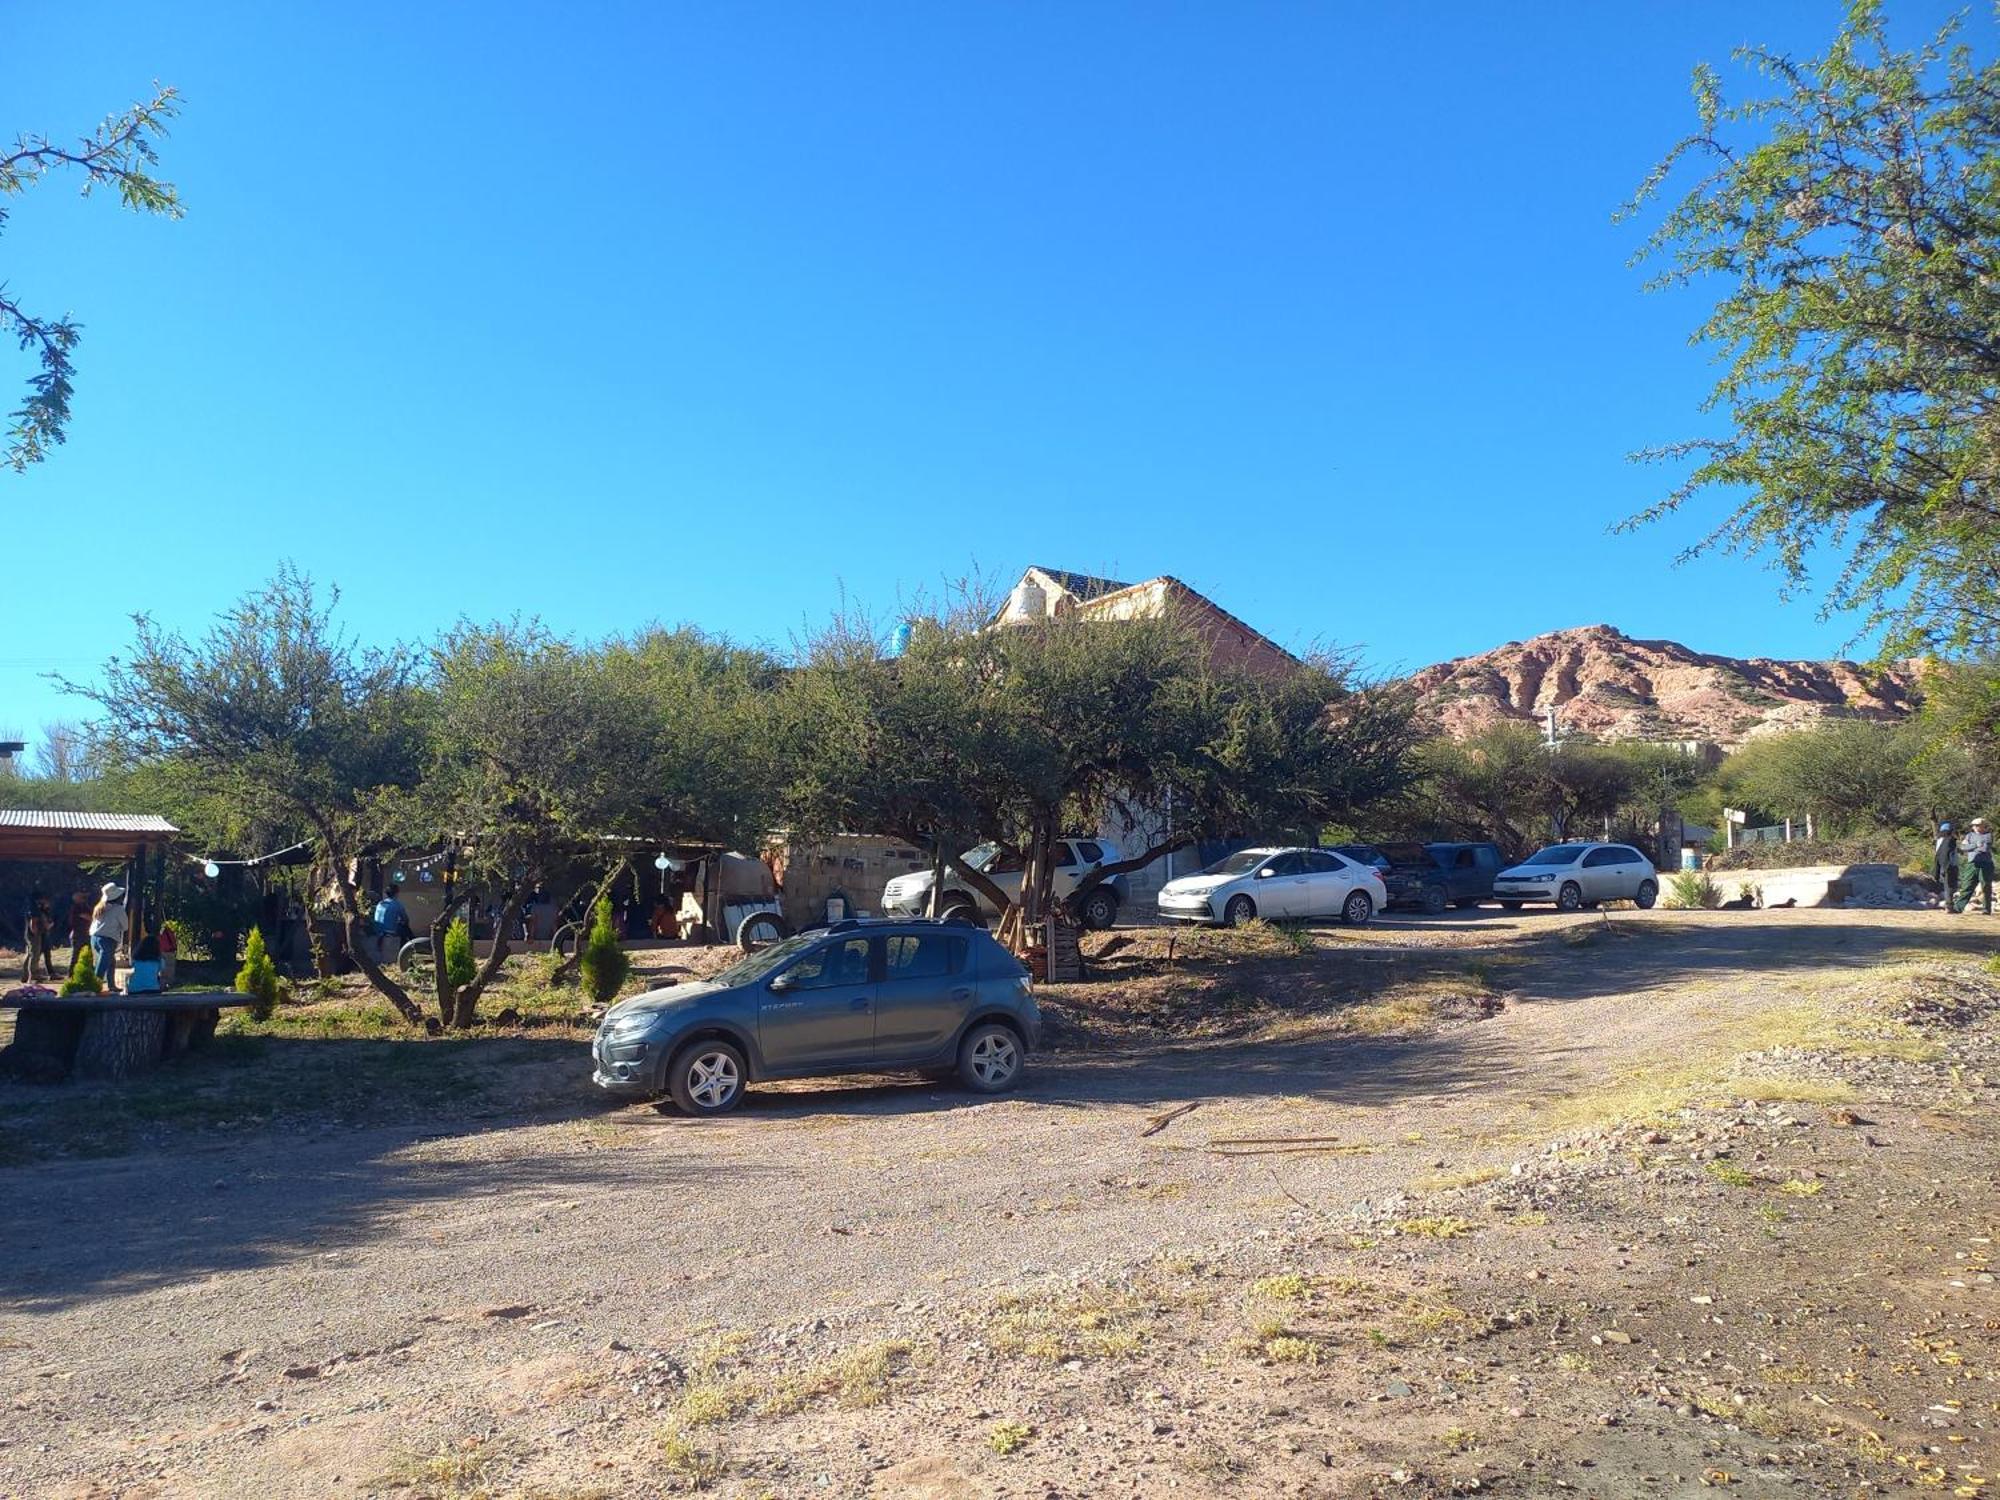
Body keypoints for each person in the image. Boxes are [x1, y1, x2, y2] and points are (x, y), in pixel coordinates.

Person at [89, 881, 129, 992]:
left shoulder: (99, 907)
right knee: (103, 965)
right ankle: (95, 986)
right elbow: (125, 926)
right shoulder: (118, 909)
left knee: (110, 962)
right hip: (108, 939)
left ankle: (111, 985)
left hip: (94, 937)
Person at [1956, 817, 1996, 915]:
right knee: (1967, 886)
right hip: (1972, 864)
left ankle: (1986, 909)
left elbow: (1985, 848)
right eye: (1974, 825)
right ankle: (1957, 908)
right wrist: (1975, 845)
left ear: (1983, 826)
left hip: (1986, 864)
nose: (1975, 827)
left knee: (1986, 886)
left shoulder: (1988, 836)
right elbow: (1963, 847)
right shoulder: (1969, 835)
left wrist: (1972, 846)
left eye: (1978, 825)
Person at [372, 882, 411, 960]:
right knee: (406, 930)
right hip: (389, 931)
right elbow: (405, 919)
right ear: (396, 893)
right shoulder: (397, 904)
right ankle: (407, 951)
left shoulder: (380, 903)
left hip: (377, 930)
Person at [20, 892, 53, 981]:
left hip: (29, 933)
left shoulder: (31, 907)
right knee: (35, 954)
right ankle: (33, 974)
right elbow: (33, 920)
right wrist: (35, 932)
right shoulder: (35, 908)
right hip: (34, 934)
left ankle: (25, 975)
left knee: (29, 954)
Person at [1936, 821, 1961, 908]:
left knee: (1946, 885)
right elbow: (1951, 855)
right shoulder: (1951, 840)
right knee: (1950, 886)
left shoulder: (1938, 840)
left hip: (1941, 865)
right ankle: (1949, 905)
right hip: (1950, 865)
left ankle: (1949, 904)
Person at [158, 921, 178, 986]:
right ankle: (170, 983)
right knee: (170, 969)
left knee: (163, 969)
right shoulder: (169, 932)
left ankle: (162, 984)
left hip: (162, 952)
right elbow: (173, 941)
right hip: (170, 952)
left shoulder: (160, 933)